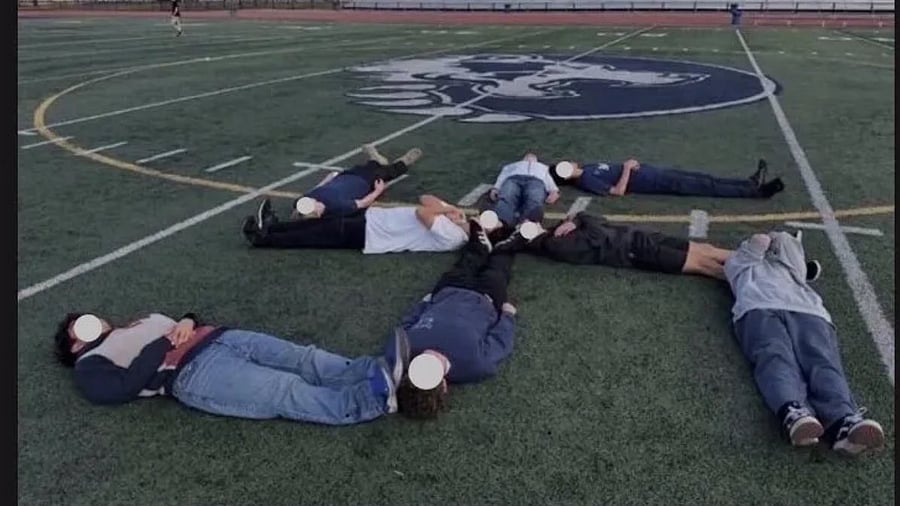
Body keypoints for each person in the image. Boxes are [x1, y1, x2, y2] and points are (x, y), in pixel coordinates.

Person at [53, 311, 412, 426]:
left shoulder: (136, 321)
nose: (90, 319)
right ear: (75, 344)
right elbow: (121, 388)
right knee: (283, 389)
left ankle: (375, 370)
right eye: (78, 325)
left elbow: (187, 319)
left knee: (304, 358)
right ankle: (371, 400)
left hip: (221, 337)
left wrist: (188, 319)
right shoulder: (88, 365)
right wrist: (166, 342)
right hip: (193, 374)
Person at [724, 231, 884, 455]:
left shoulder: (794, 271)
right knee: (775, 357)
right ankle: (793, 410)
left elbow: (791, 249)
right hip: (759, 308)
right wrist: (772, 239)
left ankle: (843, 421)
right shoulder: (739, 265)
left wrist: (782, 239)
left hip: (806, 311)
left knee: (823, 362)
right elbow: (756, 244)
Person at [385, 221, 518, 419]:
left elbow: (406, 323)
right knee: (498, 268)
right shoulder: (475, 365)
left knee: (468, 260)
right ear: (444, 385)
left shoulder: (401, 350)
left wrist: (424, 303)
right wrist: (507, 315)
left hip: (449, 289)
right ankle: (508, 241)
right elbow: (500, 341)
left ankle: (481, 241)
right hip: (486, 297)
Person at [493, 212, 733, 280]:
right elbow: (597, 231)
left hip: (639, 235)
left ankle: (759, 259)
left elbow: (596, 219)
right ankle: (753, 282)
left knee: (707, 249)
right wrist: (577, 221)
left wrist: (574, 220)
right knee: (705, 265)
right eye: (523, 225)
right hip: (634, 250)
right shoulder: (556, 246)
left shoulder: (558, 230)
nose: (528, 221)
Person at [242, 194, 471, 254]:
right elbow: (426, 198)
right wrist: (451, 209)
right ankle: (273, 226)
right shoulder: (455, 223)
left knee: (315, 235)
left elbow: (423, 212)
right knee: (317, 225)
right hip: (373, 220)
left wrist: (447, 211)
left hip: (372, 234)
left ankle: (263, 239)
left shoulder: (455, 237)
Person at [549, 157, 784, 199]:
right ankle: (756, 192)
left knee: (704, 178)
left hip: (652, 172)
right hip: (653, 183)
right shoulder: (586, 180)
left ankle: (748, 183)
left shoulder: (588, 168)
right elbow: (617, 192)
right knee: (703, 186)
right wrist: (628, 169)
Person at [292, 145, 421, 219]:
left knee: (371, 167)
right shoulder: (338, 207)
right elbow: (362, 203)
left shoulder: (306, 201)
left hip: (346, 176)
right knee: (388, 172)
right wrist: (378, 191)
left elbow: (316, 189)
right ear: (318, 213)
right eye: (315, 208)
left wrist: (328, 179)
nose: (314, 202)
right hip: (366, 183)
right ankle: (405, 161)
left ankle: (376, 158)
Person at [487, 153, 560, 228]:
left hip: (535, 180)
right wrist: (496, 188)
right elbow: (503, 175)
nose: (530, 157)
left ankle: (528, 224)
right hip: (513, 179)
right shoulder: (513, 165)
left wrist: (553, 191)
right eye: (528, 156)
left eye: (532, 157)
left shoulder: (543, 167)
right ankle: (501, 223)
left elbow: (548, 178)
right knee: (507, 196)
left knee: (534, 198)